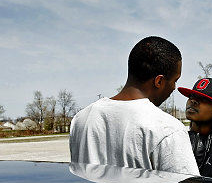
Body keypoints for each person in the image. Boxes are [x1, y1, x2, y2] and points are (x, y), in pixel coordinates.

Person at [69, 36, 199, 175]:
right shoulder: (168, 129)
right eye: (175, 80)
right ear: (159, 81)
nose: (174, 88)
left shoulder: (81, 119)